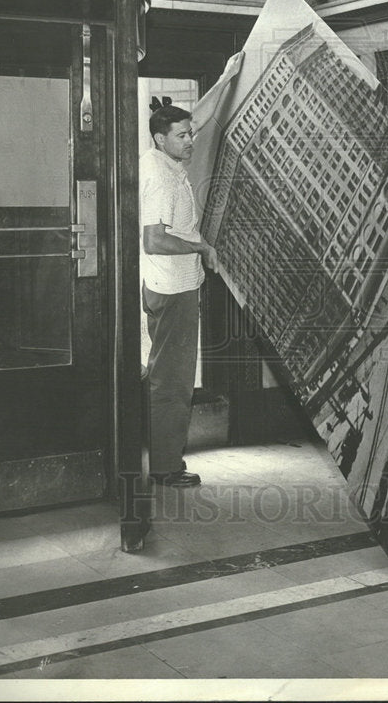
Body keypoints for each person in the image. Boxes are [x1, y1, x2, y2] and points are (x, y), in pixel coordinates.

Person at [140, 99, 219, 487]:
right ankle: (166, 467)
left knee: (168, 376)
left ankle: (165, 460)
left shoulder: (165, 163)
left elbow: (171, 232)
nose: (191, 140)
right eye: (182, 135)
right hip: (172, 289)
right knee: (172, 381)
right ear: (160, 138)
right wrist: (201, 248)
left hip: (171, 286)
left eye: (192, 133)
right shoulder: (159, 175)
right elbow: (154, 240)